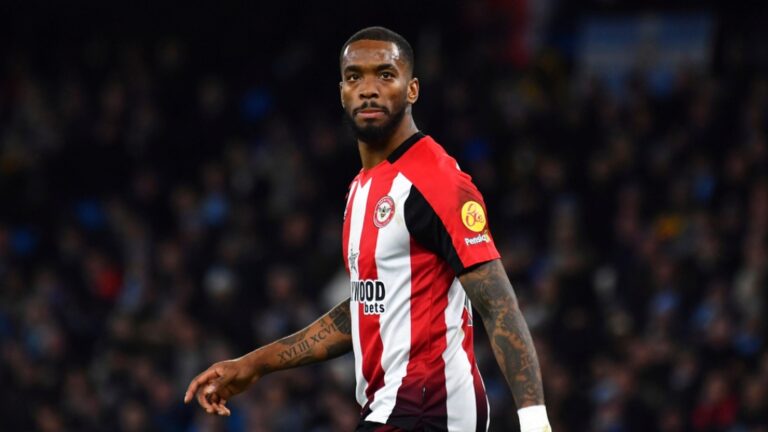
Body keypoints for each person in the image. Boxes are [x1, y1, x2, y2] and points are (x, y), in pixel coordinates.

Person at [184, 26, 551, 432]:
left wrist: (535, 422)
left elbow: (498, 303)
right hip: (391, 408)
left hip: (429, 408)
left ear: (412, 90)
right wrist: (255, 363)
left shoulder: (437, 181)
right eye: (355, 77)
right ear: (342, 91)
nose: (369, 89)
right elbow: (366, 306)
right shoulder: (361, 189)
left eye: (385, 75)